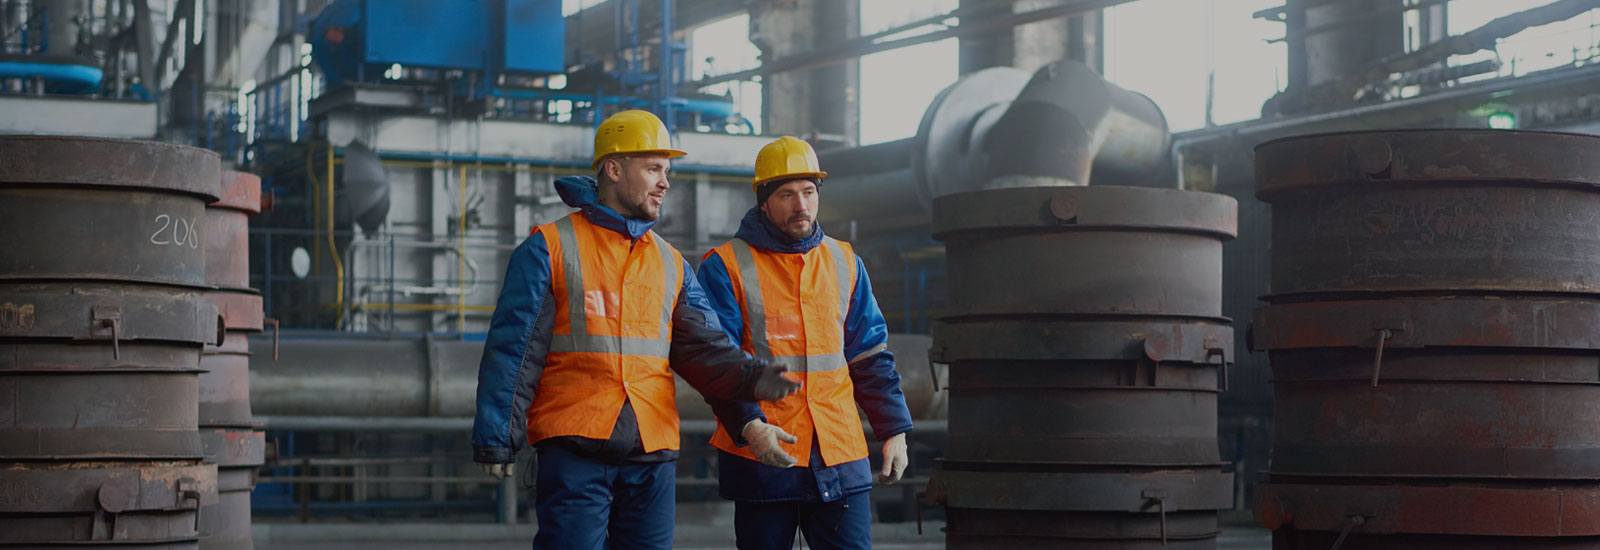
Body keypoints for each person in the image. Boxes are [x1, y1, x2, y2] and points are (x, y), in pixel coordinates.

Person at [471, 110, 801, 550]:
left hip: (652, 450)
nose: (665, 182)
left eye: (667, 171)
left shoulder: (671, 264)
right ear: (613, 168)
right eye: (653, 169)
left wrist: (752, 380)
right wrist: (497, 436)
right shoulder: (548, 248)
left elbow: (705, 350)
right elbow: (514, 349)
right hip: (576, 446)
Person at [697, 136, 914, 549]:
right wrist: (750, 426)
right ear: (763, 201)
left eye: (809, 192)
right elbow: (715, 364)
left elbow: (870, 355)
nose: (801, 205)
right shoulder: (725, 266)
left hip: (839, 450)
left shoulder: (844, 261)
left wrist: (894, 430)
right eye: (787, 194)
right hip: (764, 449)